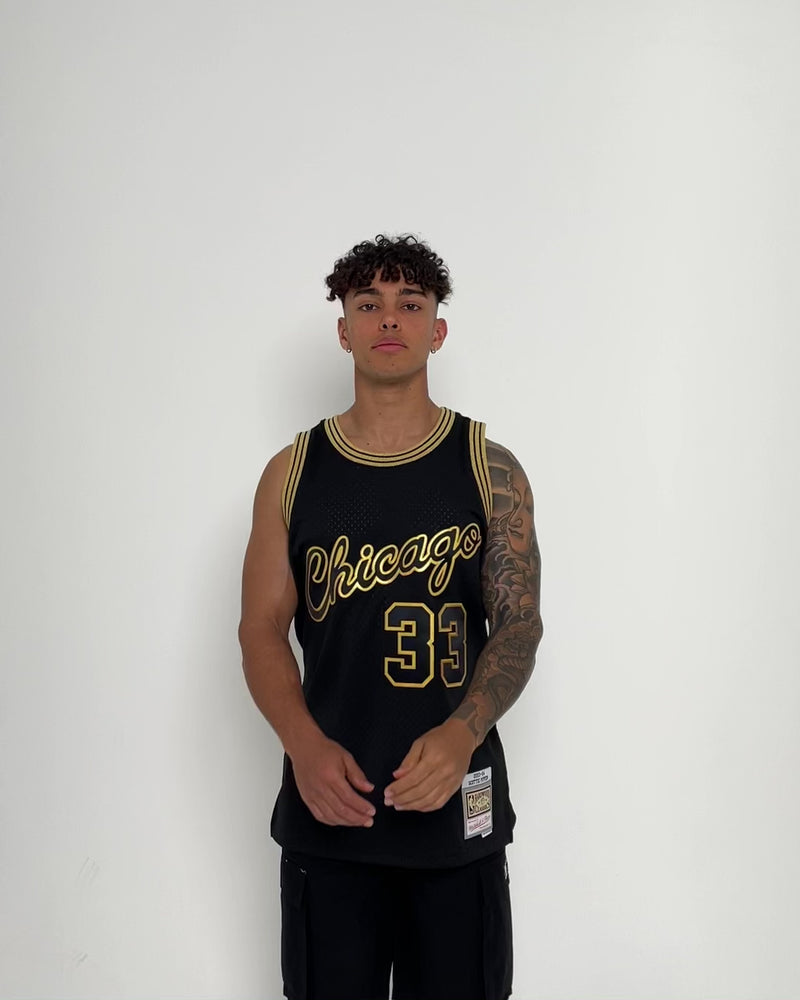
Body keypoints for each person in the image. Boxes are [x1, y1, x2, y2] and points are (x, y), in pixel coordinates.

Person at [239, 234, 542, 1000]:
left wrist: (462, 732)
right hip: (330, 811)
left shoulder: (488, 466)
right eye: (367, 303)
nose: (388, 319)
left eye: (410, 303)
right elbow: (260, 629)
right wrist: (302, 743)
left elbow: (518, 625)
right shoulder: (293, 472)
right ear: (343, 329)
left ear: (437, 329)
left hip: (456, 810)